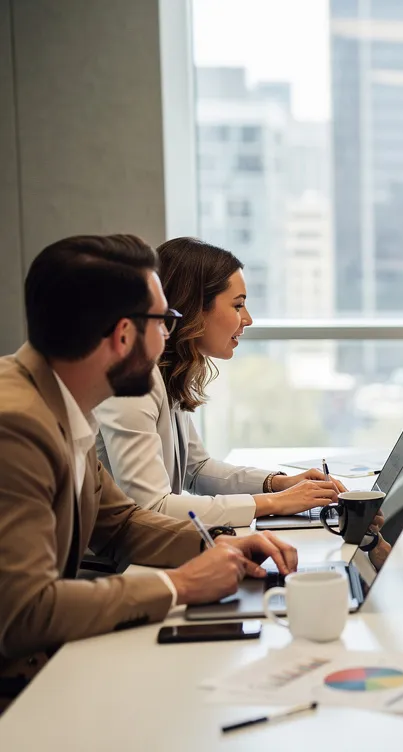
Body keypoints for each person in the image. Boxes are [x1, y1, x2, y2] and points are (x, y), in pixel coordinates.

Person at [0, 235, 297, 711]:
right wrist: (180, 585)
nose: (169, 336)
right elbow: (25, 612)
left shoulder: (60, 402)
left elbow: (119, 522)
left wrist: (218, 545)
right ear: (123, 335)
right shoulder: (16, 424)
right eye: (164, 321)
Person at [93, 238, 344, 527]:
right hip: (123, 560)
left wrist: (279, 484)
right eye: (238, 306)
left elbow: (196, 470)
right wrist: (274, 503)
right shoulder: (134, 382)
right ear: (195, 309)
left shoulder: (169, 370)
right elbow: (152, 507)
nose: (247, 319)